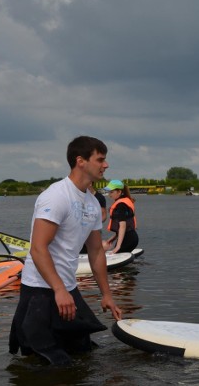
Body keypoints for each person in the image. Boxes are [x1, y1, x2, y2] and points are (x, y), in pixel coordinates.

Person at [9, 136, 123, 365]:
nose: (106, 165)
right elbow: (38, 249)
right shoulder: (56, 196)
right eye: (100, 159)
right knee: (43, 359)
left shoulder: (91, 203)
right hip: (40, 290)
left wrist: (107, 294)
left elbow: (96, 252)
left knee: (83, 353)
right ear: (80, 161)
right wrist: (59, 289)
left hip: (68, 288)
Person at [103, 179, 139, 254]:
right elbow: (122, 229)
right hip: (132, 238)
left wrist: (118, 247)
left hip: (128, 239)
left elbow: (122, 226)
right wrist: (112, 239)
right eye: (109, 192)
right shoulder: (124, 202)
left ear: (119, 192)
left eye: (112, 192)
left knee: (116, 254)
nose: (109, 194)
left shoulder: (121, 205)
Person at [79, 182, 107, 254]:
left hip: (94, 229)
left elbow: (104, 215)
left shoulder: (99, 197)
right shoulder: (81, 196)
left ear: (90, 183)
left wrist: (95, 224)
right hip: (81, 228)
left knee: (93, 248)